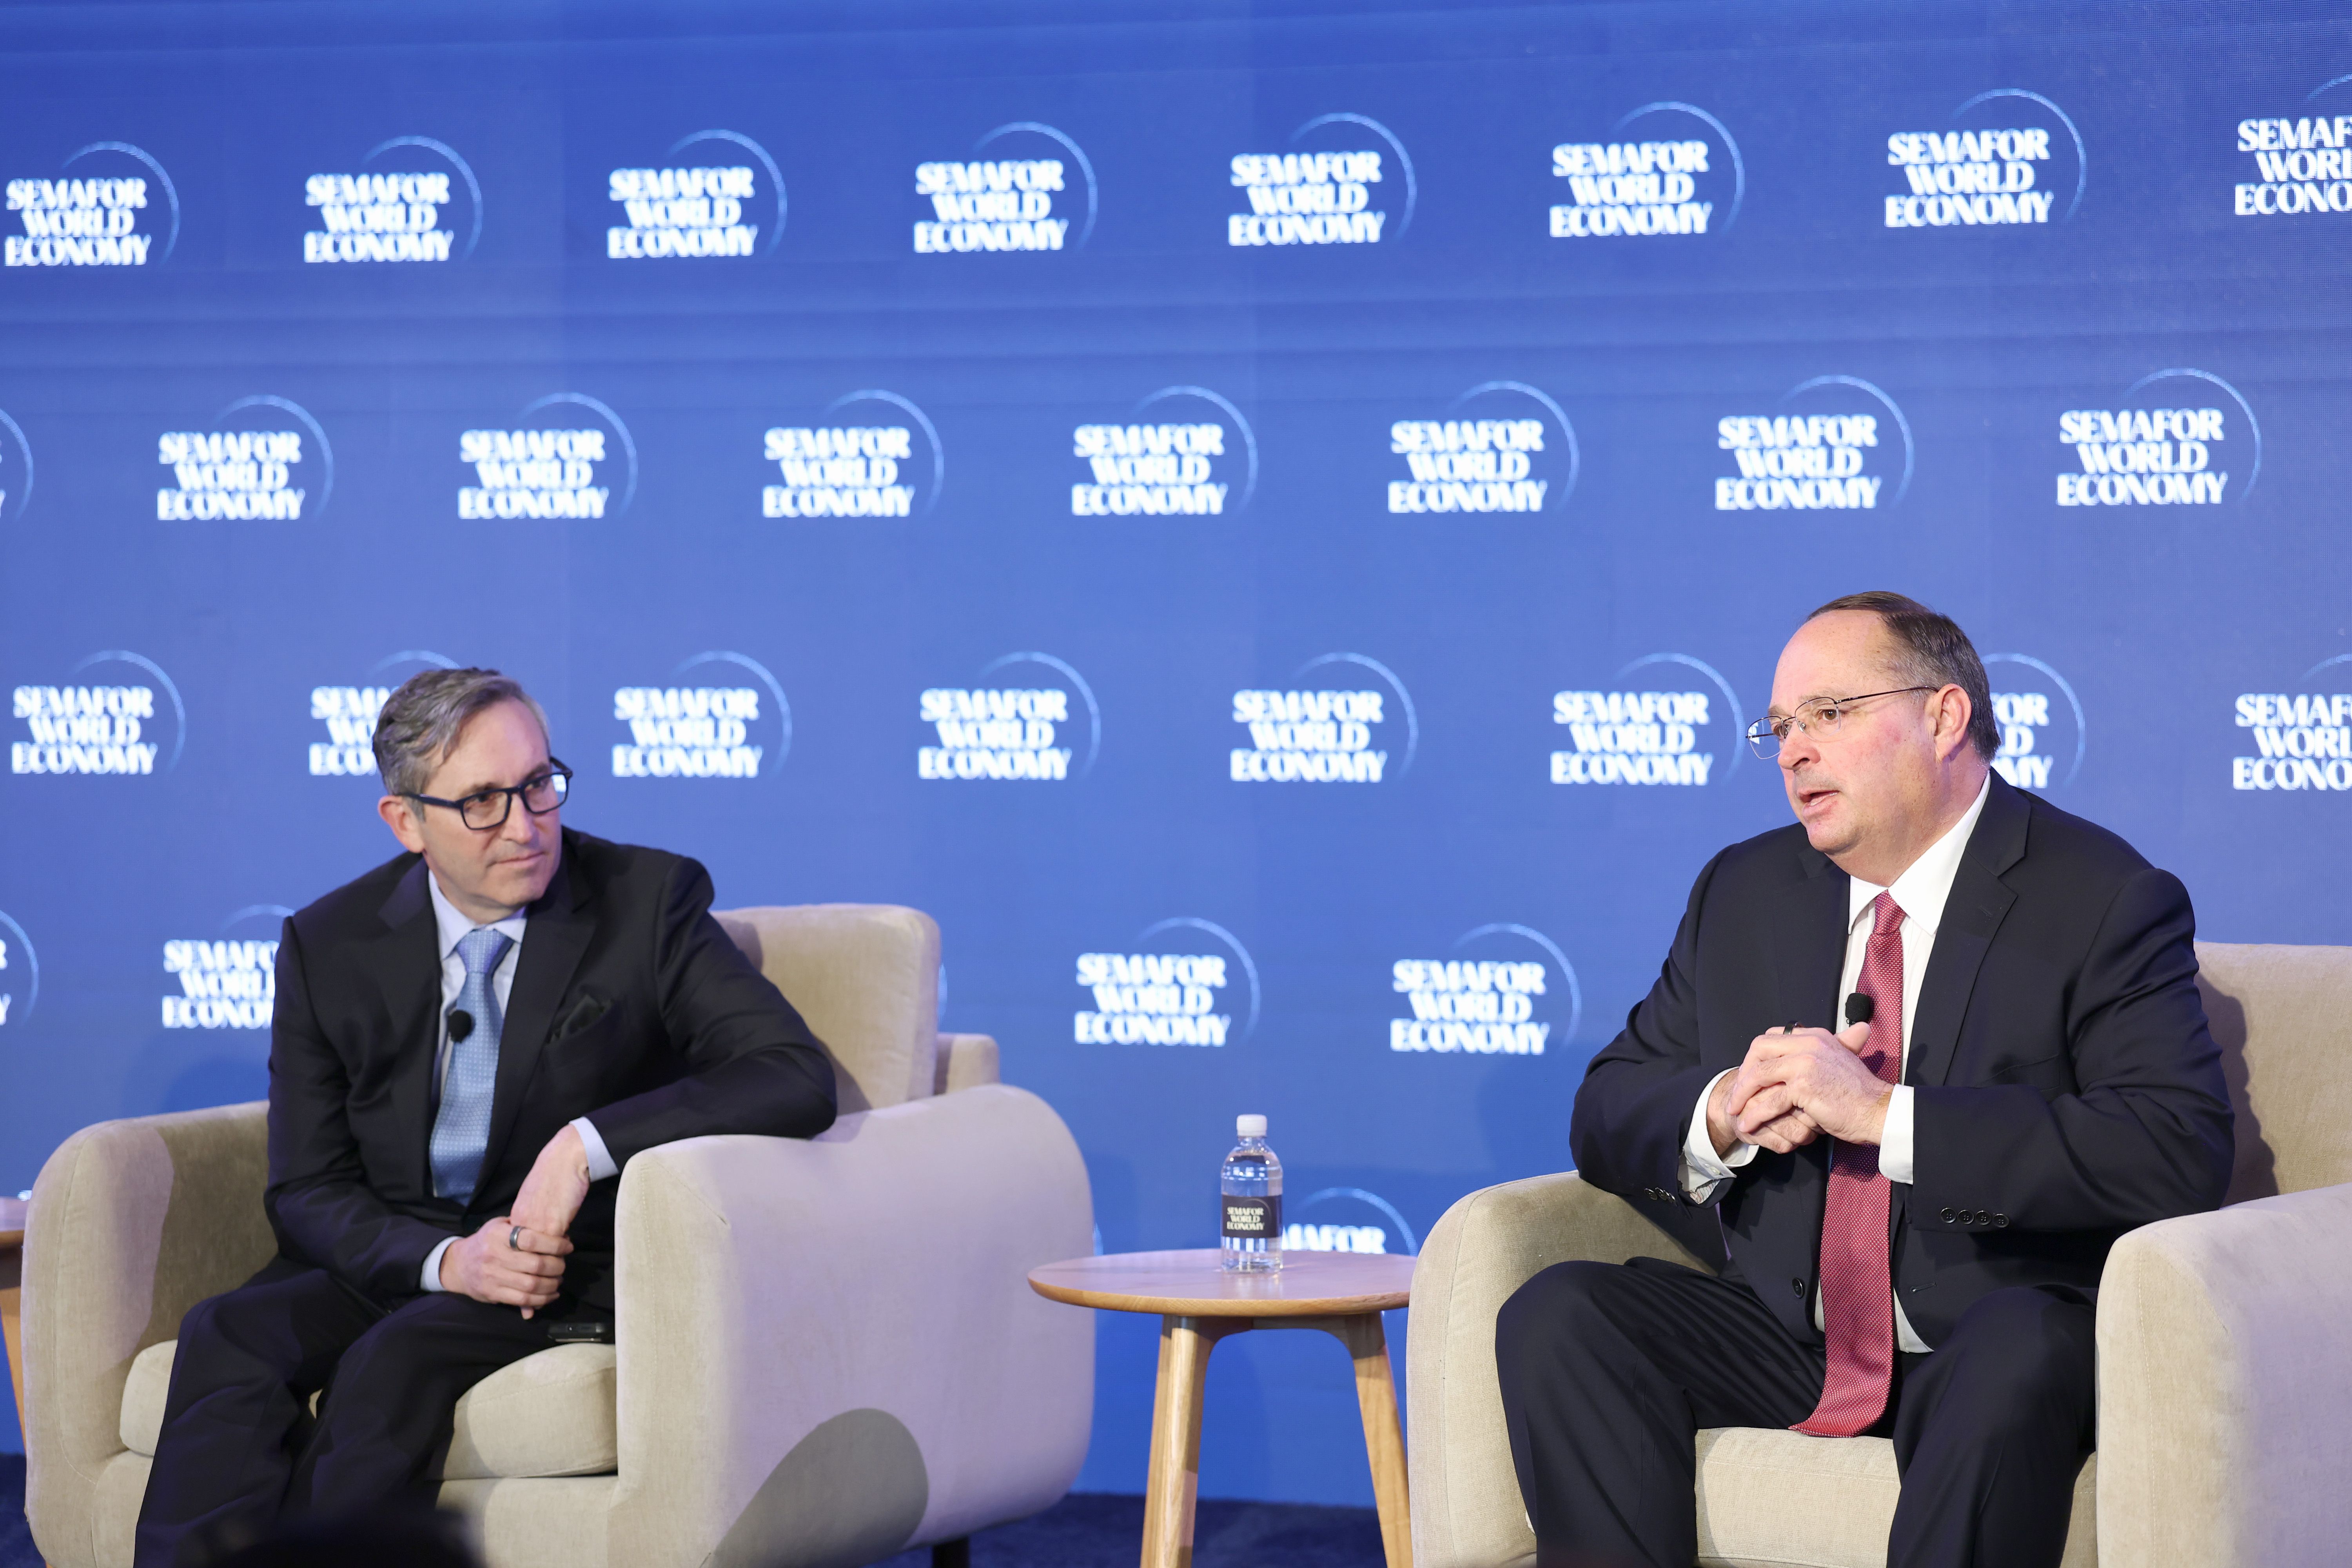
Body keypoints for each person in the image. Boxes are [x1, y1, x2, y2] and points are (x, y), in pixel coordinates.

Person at [1496, 593, 2232, 1568]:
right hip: (1786, 1330)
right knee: (1563, 1316)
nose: (1795, 749)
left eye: (1830, 714)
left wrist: (1888, 1116)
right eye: (1781, 727)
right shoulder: (1744, 892)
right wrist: (1717, 1112)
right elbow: (1608, 1106)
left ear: (1944, 715)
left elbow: (2172, 1148)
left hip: (1988, 1329)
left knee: (2015, 1354)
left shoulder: (2100, 896)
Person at [135, 668, 837, 1567]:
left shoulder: (646, 903)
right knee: (228, 1333)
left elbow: (789, 1074)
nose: (525, 822)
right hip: (404, 1248)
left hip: (561, 1269)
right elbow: (307, 1186)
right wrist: (441, 1260)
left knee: (393, 1361)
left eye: (540, 784)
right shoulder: (330, 943)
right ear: (406, 820)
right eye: (482, 801)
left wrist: (586, 1146)